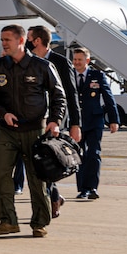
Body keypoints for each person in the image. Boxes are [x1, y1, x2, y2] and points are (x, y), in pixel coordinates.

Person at [0, 24, 66, 238]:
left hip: (35, 131)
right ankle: (7, 221)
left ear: (21, 41)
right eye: (2, 40)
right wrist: (2, 113)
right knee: (2, 177)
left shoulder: (42, 66)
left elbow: (59, 96)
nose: (3, 44)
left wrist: (55, 120)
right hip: (6, 131)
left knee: (37, 179)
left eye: (7, 40)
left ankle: (40, 223)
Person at [26, 25, 82, 217]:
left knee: (47, 157)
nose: (26, 42)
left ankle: (53, 198)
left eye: (28, 38)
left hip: (54, 121)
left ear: (37, 41)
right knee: (39, 160)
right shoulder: (29, 62)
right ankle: (54, 197)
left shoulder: (60, 62)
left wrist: (75, 124)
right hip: (33, 120)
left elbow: (71, 94)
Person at [72, 46, 119, 199]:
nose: (77, 62)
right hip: (77, 122)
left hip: (95, 120)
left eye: (80, 59)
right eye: (75, 59)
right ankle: (82, 189)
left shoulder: (97, 75)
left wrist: (113, 120)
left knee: (93, 154)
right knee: (79, 156)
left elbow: (108, 98)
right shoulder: (69, 75)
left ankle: (91, 188)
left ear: (87, 60)